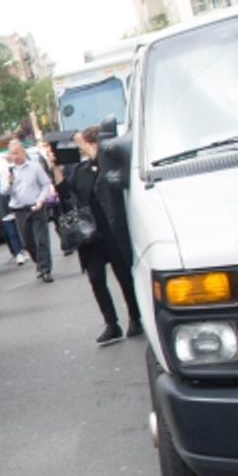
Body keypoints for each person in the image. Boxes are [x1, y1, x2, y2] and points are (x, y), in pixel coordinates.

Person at [58, 126, 143, 345]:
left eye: (83, 144)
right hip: (90, 234)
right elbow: (66, 194)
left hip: (112, 230)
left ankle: (135, 317)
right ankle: (111, 324)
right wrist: (55, 168)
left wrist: (93, 152)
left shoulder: (109, 164)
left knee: (124, 276)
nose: (80, 149)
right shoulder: (80, 170)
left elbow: (109, 181)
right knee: (96, 279)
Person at [4, 139, 55, 282]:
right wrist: (9, 182)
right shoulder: (8, 171)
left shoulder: (35, 167)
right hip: (20, 210)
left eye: (18, 153)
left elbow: (45, 184)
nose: (15, 156)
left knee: (41, 239)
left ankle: (45, 270)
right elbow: (3, 191)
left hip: (36, 207)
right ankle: (39, 263)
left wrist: (40, 200)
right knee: (27, 242)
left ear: (23, 152)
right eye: (12, 154)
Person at [0, 166, 25, 263]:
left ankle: (23, 249)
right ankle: (17, 253)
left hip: (16, 209)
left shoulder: (14, 179)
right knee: (11, 234)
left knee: (21, 232)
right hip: (4, 213)